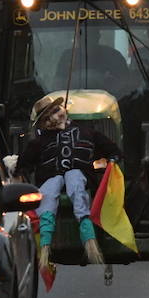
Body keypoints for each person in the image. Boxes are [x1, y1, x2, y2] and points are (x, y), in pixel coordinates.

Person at [15, 96, 121, 272]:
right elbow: (25, 161)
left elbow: (111, 148)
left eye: (57, 111)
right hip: (51, 178)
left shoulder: (86, 132)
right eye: (49, 117)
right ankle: (45, 247)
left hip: (78, 178)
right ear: (44, 123)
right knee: (49, 192)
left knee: (75, 180)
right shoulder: (40, 142)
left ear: (63, 109)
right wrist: (19, 172)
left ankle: (89, 237)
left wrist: (113, 158)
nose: (56, 117)